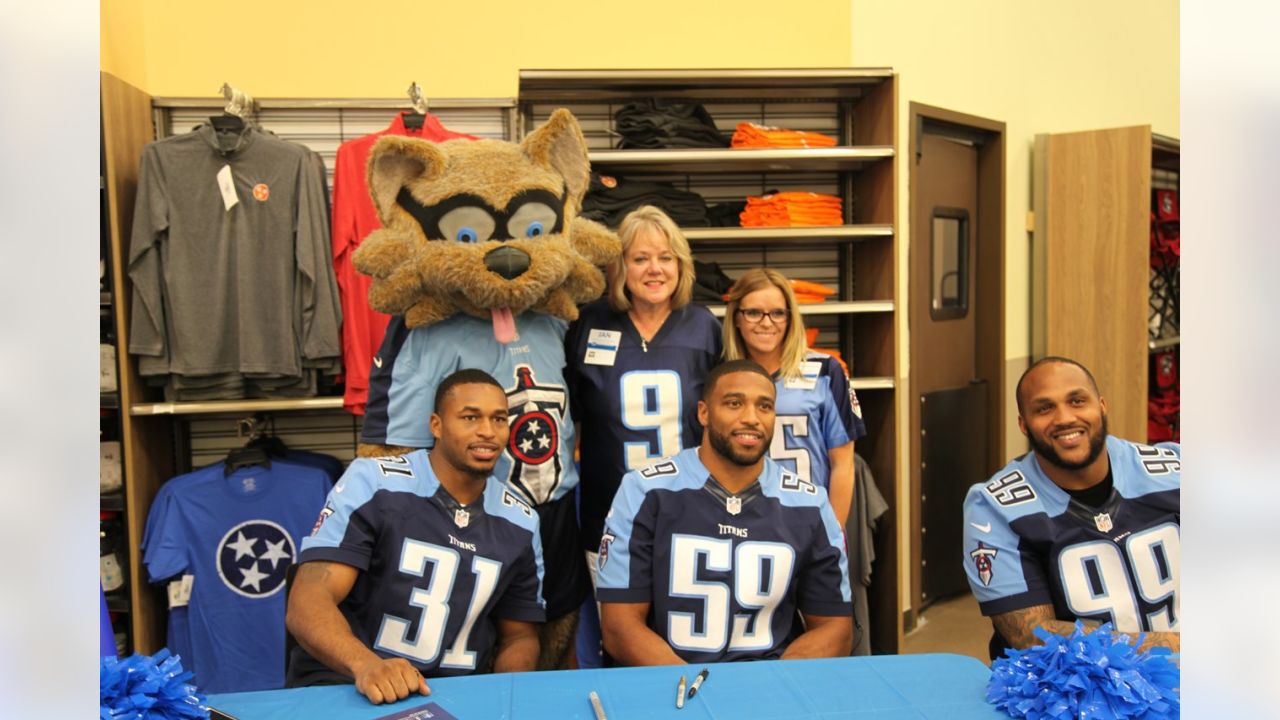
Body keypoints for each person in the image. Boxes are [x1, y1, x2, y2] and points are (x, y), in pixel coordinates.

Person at [286, 369, 545, 704]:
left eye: (499, 419)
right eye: (470, 417)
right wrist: (366, 666)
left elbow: (519, 636)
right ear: (436, 425)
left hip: (458, 697)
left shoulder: (521, 520)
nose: (487, 431)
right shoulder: (374, 483)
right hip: (349, 684)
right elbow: (308, 600)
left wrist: (508, 698)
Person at [596, 359, 853, 665]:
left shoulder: (810, 504)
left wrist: (770, 686)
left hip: (767, 689)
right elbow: (619, 627)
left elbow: (835, 627)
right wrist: (696, 692)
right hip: (672, 688)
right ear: (703, 413)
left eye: (765, 407)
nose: (751, 418)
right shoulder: (644, 492)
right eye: (734, 403)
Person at [962, 357, 1180, 658]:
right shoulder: (995, 507)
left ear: (1101, 406)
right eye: (1044, 408)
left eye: (1077, 401)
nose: (1064, 418)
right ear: (1023, 424)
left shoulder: (1175, 472)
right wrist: (1178, 648)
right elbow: (1032, 636)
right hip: (1072, 692)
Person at [564, 205, 722, 581]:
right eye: (640, 258)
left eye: (666, 258)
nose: (655, 269)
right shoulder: (589, 323)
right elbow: (571, 418)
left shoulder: (704, 327)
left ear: (680, 265)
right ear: (620, 267)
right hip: (609, 511)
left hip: (692, 509)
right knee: (616, 632)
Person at [722, 268, 865, 524]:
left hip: (807, 521)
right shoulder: (721, 377)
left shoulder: (826, 371)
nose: (767, 322)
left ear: (790, 318)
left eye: (778, 313)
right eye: (754, 312)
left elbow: (843, 465)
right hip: (742, 522)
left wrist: (833, 534)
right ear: (736, 318)